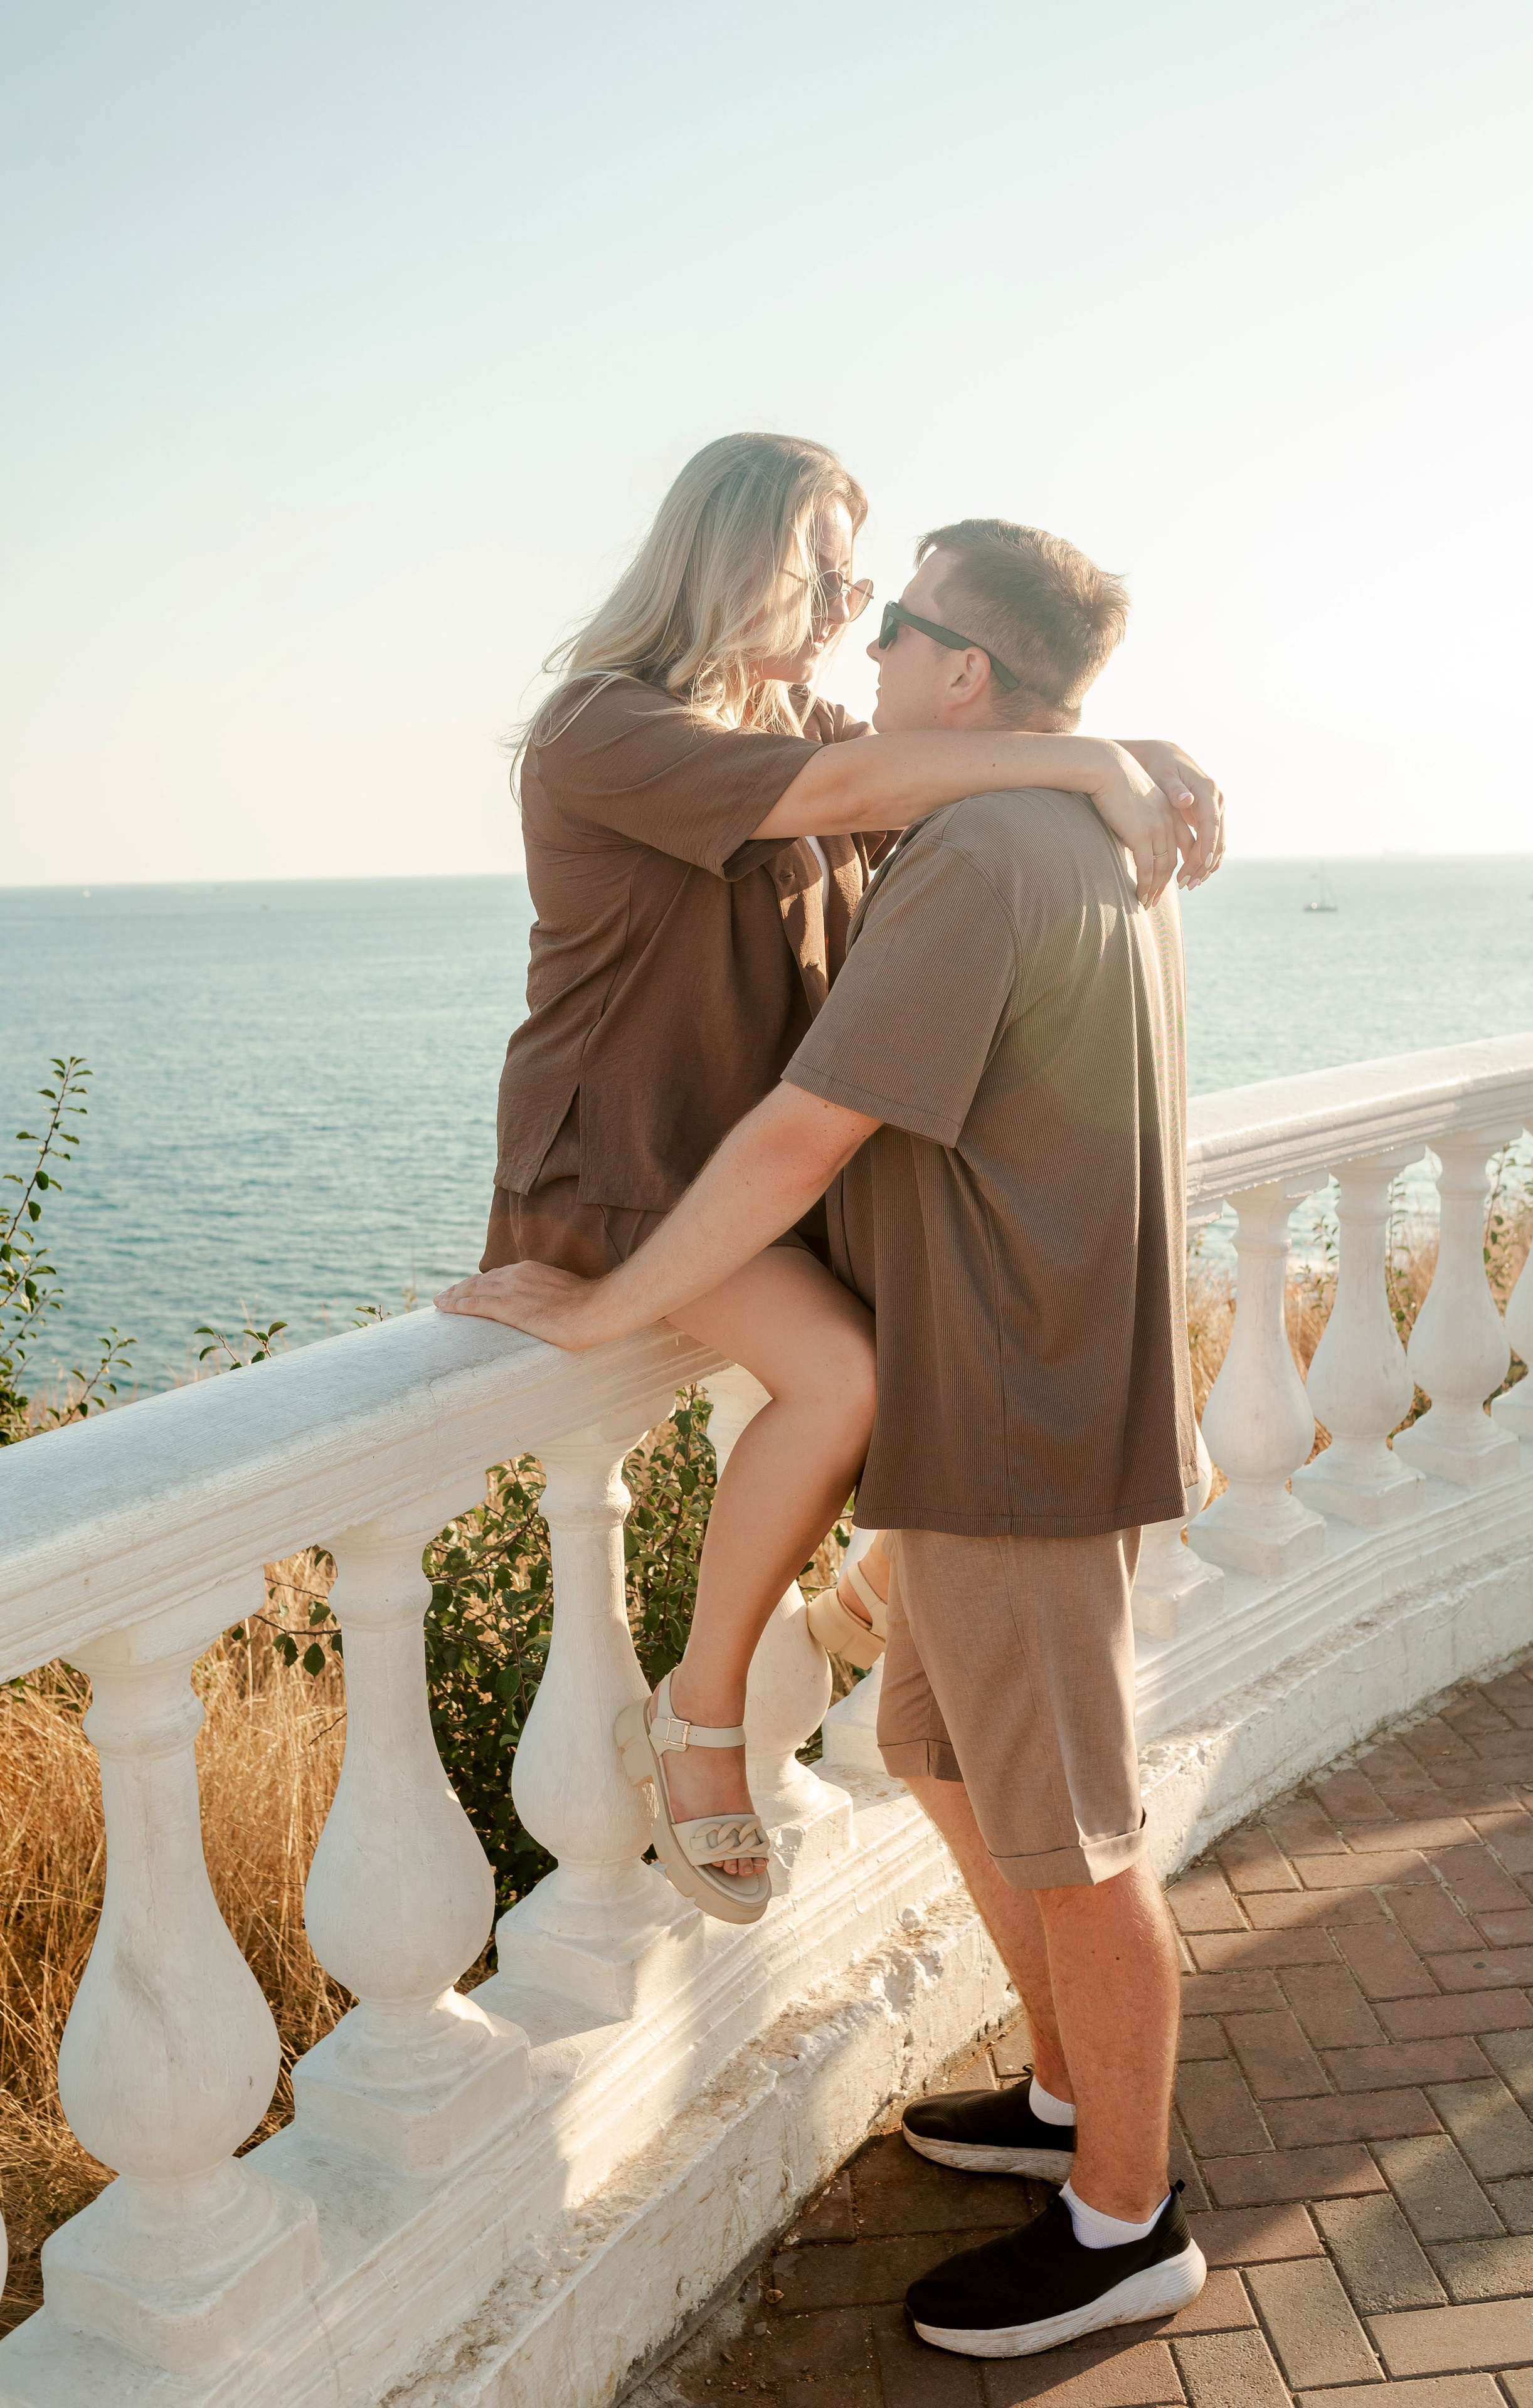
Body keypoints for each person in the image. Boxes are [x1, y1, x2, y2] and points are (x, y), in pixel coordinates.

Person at [438, 512, 1205, 2357]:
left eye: (897, 625)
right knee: (948, 1760)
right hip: (985, 1394)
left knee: (1075, 1835)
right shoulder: (1052, 826)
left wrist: (608, 1304)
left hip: (1016, 1416)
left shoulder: (986, 852)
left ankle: (1128, 2219)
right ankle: (1066, 2106)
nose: (870, 649)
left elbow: (801, 1133)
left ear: (967, 675)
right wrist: (1116, 754)